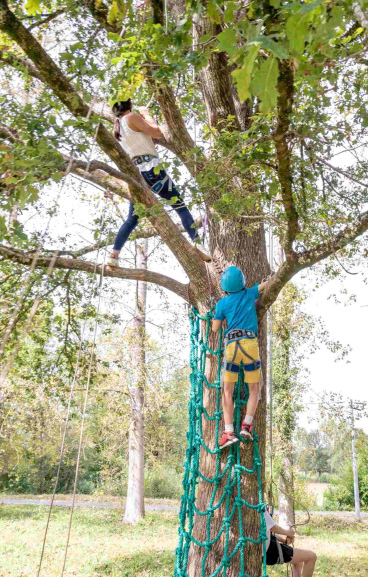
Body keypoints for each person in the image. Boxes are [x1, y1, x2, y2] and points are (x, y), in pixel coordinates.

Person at [108, 99, 206, 267]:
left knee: (132, 219)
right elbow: (157, 132)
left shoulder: (116, 129)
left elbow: (144, 139)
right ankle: (197, 242)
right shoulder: (132, 117)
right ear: (128, 107)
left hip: (137, 176)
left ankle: (114, 255)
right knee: (180, 206)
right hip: (153, 171)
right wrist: (146, 115)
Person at [211, 266, 267, 449]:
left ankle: (228, 432)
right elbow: (264, 286)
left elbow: (215, 328)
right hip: (250, 346)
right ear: (242, 282)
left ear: (224, 287)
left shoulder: (222, 303)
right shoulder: (250, 294)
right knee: (254, 389)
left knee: (228, 390)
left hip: (232, 348)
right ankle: (247, 426)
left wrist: (217, 315)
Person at [264, 508, 323, 577]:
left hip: (270, 546)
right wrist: (288, 532)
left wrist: (284, 540)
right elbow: (272, 527)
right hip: (269, 551)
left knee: (298, 562)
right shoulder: (256, 504)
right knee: (311, 556)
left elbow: (267, 531)